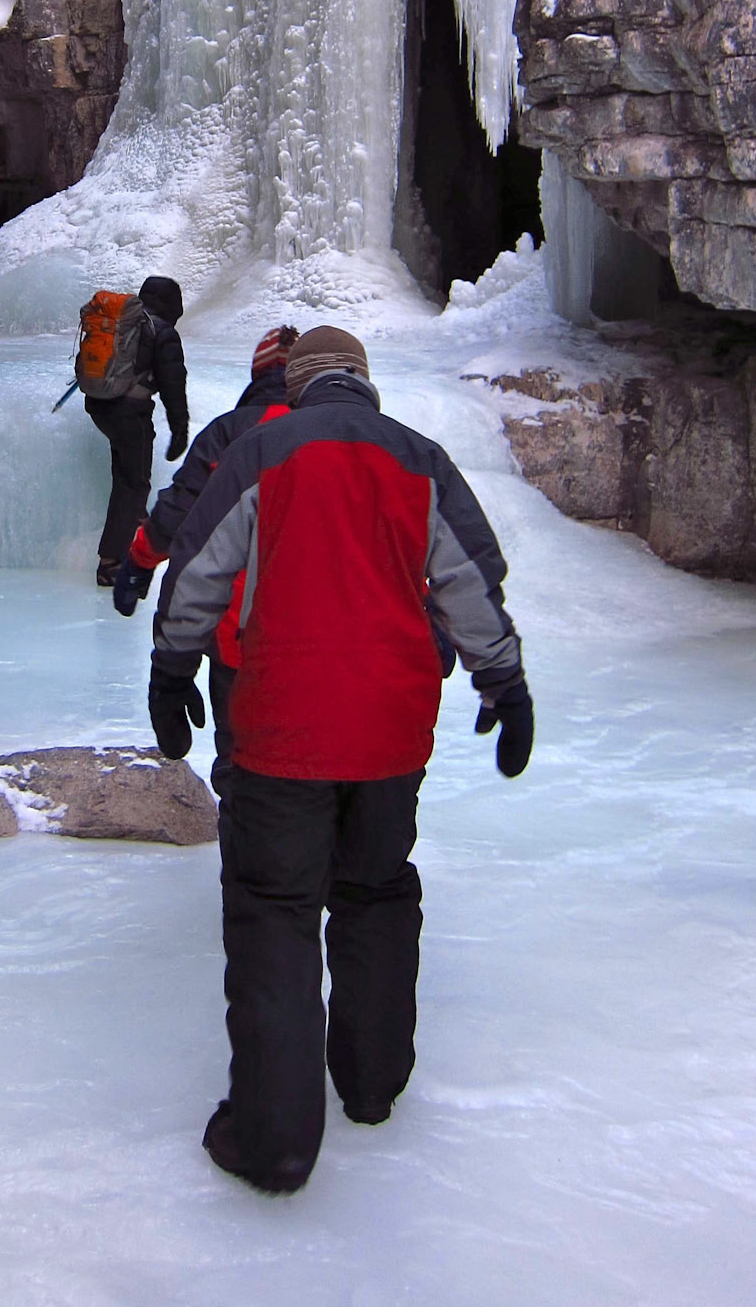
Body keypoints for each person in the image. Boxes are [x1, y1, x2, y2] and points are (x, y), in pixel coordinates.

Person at [147, 325, 533, 1195]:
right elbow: (470, 581)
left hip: (282, 727)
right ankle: (370, 1086)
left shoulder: (263, 451)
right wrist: (504, 682)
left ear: (300, 384)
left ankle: (276, 1141)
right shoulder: (419, 458)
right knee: (376, 892)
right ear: (363, 381)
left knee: (276, 912)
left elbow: (199, 570)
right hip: (391, 732)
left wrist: (172, 670)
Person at [113, 325, 300, 800]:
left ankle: (245, 830)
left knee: (244, 768)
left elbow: (180, 512)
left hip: (240, 638)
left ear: (257, 373)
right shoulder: (343, 435)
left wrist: (139, 561)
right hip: (331, 644)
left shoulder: (231, 432)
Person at [87, 275, 189, 588]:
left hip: (101, 407)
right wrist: (180, 429)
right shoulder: (163, 332)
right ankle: (112, 563)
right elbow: (173, 385)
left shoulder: (126, 324)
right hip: (131, 413)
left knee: (126, 476)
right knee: (134, 484)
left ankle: (137, 523)